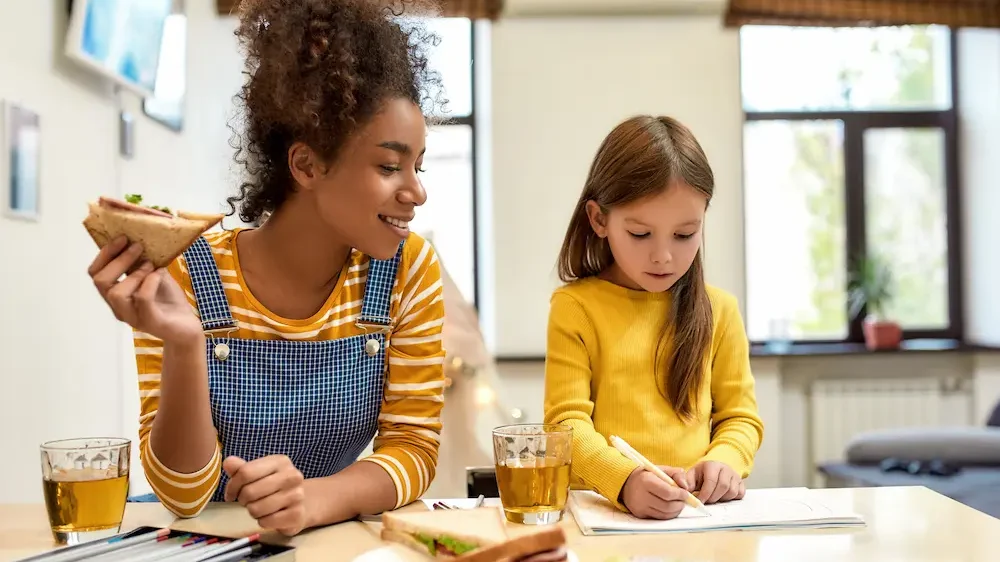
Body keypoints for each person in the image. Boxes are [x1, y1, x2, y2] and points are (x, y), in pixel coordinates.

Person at [86, 0, 447, 536]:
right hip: (206, 540)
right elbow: (183, 495)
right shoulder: (184, 273)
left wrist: (314, 500)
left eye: (418, 165)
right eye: (390, 166)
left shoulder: (406, 268)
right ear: (305, 165)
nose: (417, 191)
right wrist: (185, 342)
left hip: (329, 533)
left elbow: (413, 449)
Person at [543, 115, 764, 520]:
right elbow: (566, 424)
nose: (664, 256)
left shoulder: (721, 311)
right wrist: (623, 481)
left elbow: (740, 419)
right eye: (641, 234)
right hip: (604, 517)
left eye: (684, 235)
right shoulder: (575, 308)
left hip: (699, 521)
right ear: (599, 219)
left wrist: (725, 462)